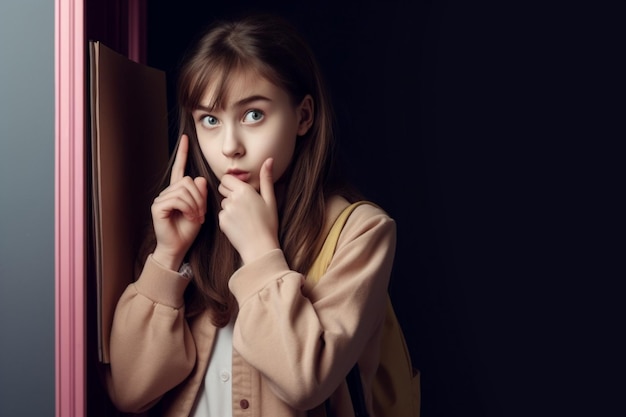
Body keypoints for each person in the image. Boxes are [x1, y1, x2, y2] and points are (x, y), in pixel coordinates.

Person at [105, 12, 397, 417]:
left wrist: (262, 252)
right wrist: (167, 258)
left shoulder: (360, 231)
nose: (229, 146)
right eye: (210, 119)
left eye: (253, 114)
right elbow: (130, 392)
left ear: (304, 116)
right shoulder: (183, 222)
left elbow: (304, 381)